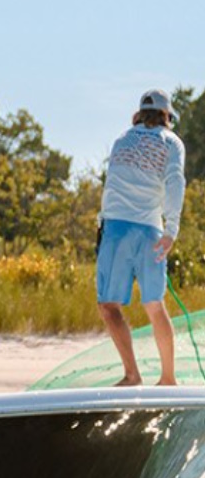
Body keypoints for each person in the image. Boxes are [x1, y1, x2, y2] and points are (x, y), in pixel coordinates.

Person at [97, 89, 187, 387]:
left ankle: (132, 375)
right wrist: (171, 230)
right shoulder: (172, 142)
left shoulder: (121, 139)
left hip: (116, 230)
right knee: (154, 304)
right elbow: (175, 182)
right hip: (149, 231)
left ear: (138, 114)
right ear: (167, 116)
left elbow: (112, 185)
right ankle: (168, 378)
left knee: (109, 305)